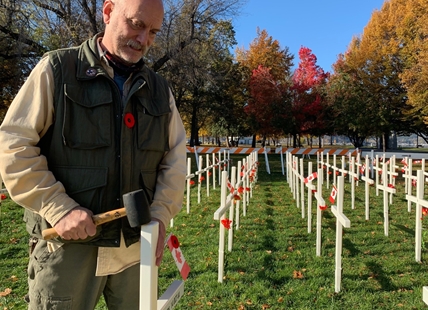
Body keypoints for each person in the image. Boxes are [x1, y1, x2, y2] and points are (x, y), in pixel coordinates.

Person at [0, 0, 186, 308]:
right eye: (137, 24)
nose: (144, 40)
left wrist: (161, 215)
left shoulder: (160, 90)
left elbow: (175, 160)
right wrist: (58, 207)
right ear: (109, 11)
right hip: (67, 249)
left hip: (136, 246)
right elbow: (14, 145)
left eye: (153, 31)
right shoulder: (57, 70)